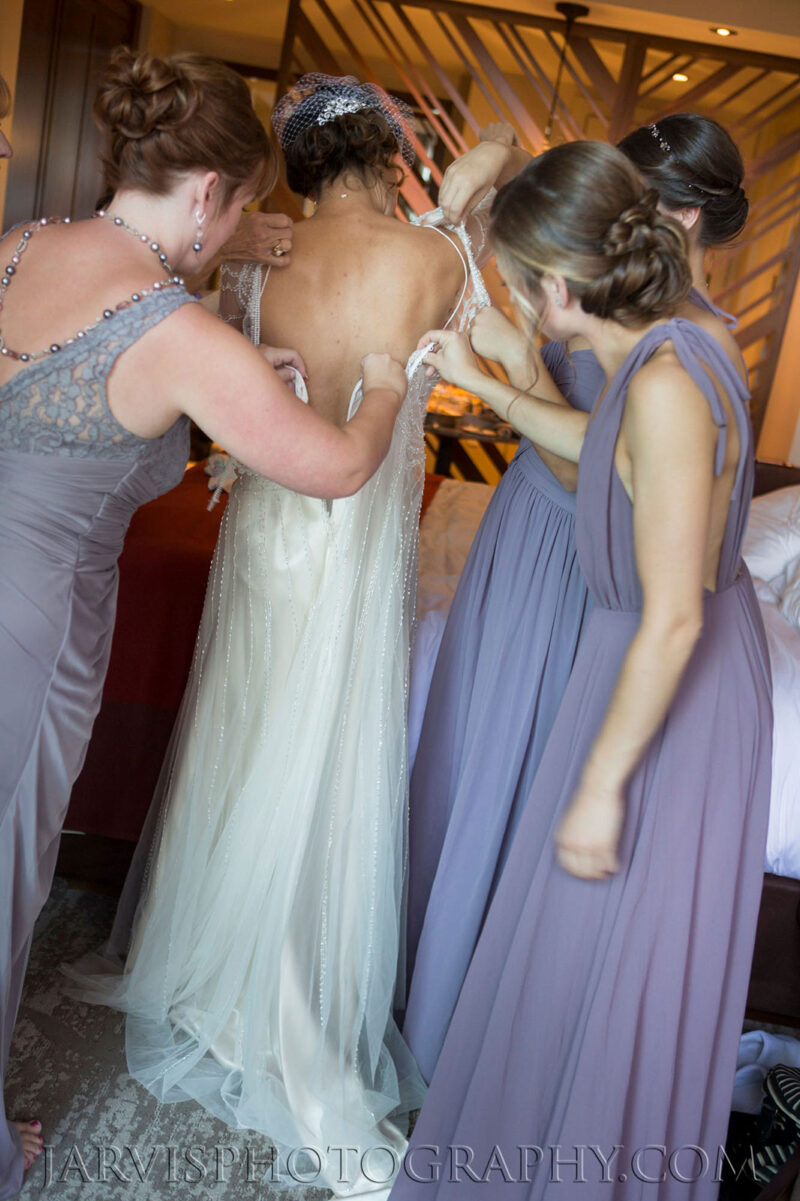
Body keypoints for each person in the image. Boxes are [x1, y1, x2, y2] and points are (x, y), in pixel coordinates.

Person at [64, 74, 493, 1199]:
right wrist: (465, 185)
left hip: (265, 525)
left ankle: (211, 955)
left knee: (245, 727)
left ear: (296, 163)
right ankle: (296, 981)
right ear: (386, 155)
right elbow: (485, 188)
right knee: (327, 740)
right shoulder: (437, 259)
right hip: (356, 538)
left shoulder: (258, 254)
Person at [0, 52, 408, 1201]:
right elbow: (335, 466)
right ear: (210, 191)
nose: (237, 232)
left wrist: (228, 363)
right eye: (238, 210)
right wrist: (386, 381)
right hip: (29, 628)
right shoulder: (176, 330)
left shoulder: (19, 244)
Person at [390, 139, 771, 1199]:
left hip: (667, 672)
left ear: (556, 287)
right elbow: (608, 449)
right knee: (562, 959)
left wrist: (600, 785)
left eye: (519, 282)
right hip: (627, 650)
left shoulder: (669, 377)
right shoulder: (662, 350)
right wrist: (489, 385)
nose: (516, 301)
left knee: (603, 964)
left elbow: (673, 618)